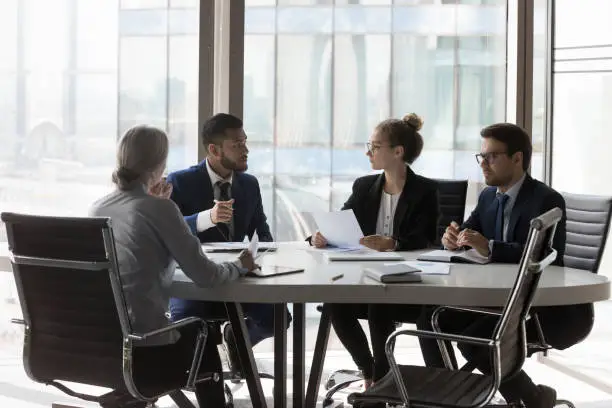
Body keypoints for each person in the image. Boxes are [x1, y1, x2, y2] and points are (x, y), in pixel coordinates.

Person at [90, 125, 258, 407]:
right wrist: (240, 264)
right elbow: (206, 275)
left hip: (104, 346)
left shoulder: (98, 208)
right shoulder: (159, 209)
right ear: (159, 164)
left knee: (188, 329)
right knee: (200, 335)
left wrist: (157, 205)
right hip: (146, 346)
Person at [422, 123, 586, 408]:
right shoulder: (488, 195)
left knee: (476, 339)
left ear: (517, 158)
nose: (483, 164)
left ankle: (528, 398)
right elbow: (468, 233)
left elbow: (548, 254)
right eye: (481, 156)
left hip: (543, 308)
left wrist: (489, 247)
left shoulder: (546, 199)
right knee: (429, 319)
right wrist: (453, 239)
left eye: (492, 156)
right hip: (496, 299)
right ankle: (445, 396)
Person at [311, 113, 440, 388]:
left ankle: (382, 381)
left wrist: (393, 243)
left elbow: (428, 236)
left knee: (378, 305)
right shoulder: (364, 186)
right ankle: (369, 372)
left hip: (411, 283)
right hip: (368, 273)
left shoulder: (425, 190)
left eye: (374, 146)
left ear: (398, 152)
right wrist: (320, 237)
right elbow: (344, 220)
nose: (368, 151)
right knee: (335, 304)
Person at [166, 113, 291, 376]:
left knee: (279, 318)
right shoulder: (179, 182)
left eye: (245, 142)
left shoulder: (249, 184)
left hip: (239, 276)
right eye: (237, 144)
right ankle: (205, 379)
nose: (246, 150)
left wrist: (267, 257)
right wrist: (205, 218)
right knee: (186, 324)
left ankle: (238, 337)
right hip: (195, 280)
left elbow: (262, 231)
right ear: (214, 149)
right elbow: (168, 231)